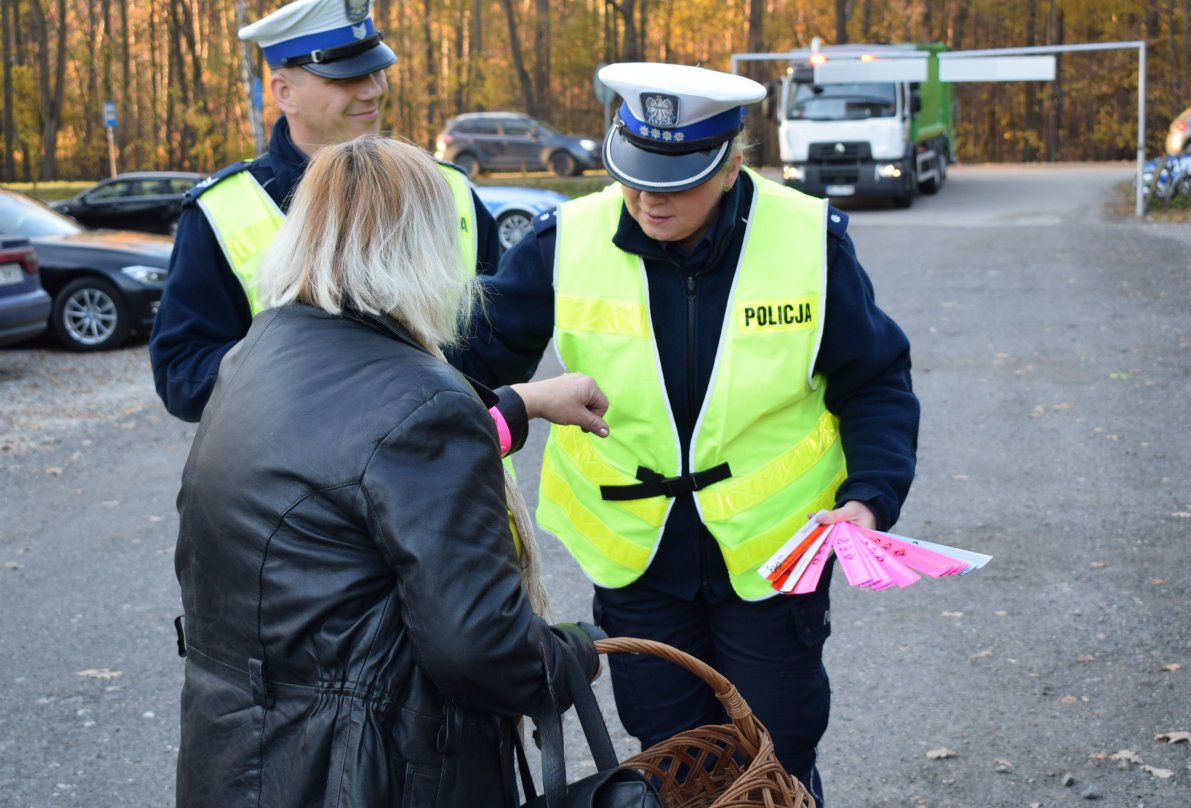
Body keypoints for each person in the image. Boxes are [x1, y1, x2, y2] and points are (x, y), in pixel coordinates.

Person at [446, 62, 920, 806]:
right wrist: (518, 401)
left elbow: (876, 381)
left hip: (773, 558)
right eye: (634, 176)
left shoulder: (807, 241)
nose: (646, 199)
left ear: (731, 164)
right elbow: (461, 370)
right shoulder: (563, 241)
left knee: (775, 760)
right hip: (637, 564)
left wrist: (868, 500)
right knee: (672, 768)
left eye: (675, 183)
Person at [173, 135, 610, 807]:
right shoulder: (422, 402)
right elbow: (483, 649)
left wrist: (519, 405)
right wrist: (572, 654)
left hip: (244, 758)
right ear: (426, 247)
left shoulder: (256, 356)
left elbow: (352, 459)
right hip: (367, 771)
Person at [149, 0, 501, 423]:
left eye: (376, 69)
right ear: (284, 92)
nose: (373, 89)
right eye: (346, 77)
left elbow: (494, 337)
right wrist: (317, 368)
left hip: (453, 470)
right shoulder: (221, 211)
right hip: (305, 482)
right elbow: (182, 374)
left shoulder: (448, 188)